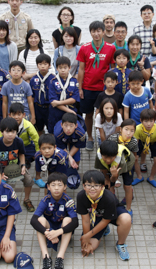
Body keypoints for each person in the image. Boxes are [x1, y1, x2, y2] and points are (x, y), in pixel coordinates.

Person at [76, 170, 132, 261]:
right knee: (86, 248)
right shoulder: (81, 196)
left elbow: (106, 220)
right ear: (83, 186)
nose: (92, 188)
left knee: (126, 218)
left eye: (96, 185)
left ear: (102, 187)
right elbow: (85, 220)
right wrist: (86, 237)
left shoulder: (109, 198)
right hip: (96, 217)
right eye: (89, 185)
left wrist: (88, 235)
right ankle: (103, 230)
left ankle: (121, 244)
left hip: (111, 214)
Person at [77, 20, 116, 150]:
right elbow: (81, 69)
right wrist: (80, 87)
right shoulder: (84, 47)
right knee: (88, 114)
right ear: (91, 33)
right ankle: (90, 137)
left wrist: (112, 86)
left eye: (99, 31)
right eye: (94, 31)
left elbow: (113, 68)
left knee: (104, 114)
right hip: (88, 87)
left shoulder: (111, 48)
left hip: (104, 88)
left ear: (104, 32)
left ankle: (102, 137)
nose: (96, 34)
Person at [30, 172, 78, 269]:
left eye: (60, 185)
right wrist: (48, 233)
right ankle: (46, 257)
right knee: (41, 220)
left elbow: (75, 222)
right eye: (53, 185)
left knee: (67, 220)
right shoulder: (45, 200)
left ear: (65, 187)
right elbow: (33, 220)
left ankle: (60, 257)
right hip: (49, 230)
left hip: (63, 230)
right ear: (48, 187)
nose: (56, 188)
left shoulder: (68, 201)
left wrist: (58, 232)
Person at [0, 117, 35, 211]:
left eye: (13, 132)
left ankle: (26, 199)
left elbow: (21, 154)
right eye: (7, 132)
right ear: (2, 132)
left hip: (16, 166)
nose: (10, 134)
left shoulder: (19, 141)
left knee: (28, 180)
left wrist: (23, 166)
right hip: (0, 169)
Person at [95, 140, 136, 218]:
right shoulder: (99, 155)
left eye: (111, 157)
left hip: (127, 165)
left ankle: (128, 209)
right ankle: (112, 206)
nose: (108, 160)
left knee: (127, 186)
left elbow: (114, 179)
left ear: (116, 154)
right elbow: (102, 167)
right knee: (109, 185)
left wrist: (113, 175)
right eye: (105, 157)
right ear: (101, 153)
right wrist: (107, 179)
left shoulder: (121, 161)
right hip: (113, 168)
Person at [133, 108, 156, 188]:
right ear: (141, 120)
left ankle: (151, 178)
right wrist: (135, 154)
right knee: (134, 158)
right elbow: (135, 142)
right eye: (146, 121)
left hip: (153, 142)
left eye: (151, 121)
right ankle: (139, 176)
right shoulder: (137, 128)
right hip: (142, 141)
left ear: (154, 120)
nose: (149, 124)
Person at [48, 57, 79, 135]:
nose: (62, 70)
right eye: (60, 68)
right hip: (56, 113)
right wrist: (68, 110)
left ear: (69, 68)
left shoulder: (74, 81)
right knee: (54, 132)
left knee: (69, 132)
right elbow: (52, 102)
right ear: (56, 68)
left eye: (65, 67)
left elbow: (74, 99)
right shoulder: (52, 82)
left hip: (70, 112)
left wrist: (58, 103)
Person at [107, 118, 140, 187]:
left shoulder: (134, 141)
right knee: (111, 184)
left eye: (132, 131)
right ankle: (116, 179)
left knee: (128, 185)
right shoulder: (113, 138)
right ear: (121, 129)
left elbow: (134, 154)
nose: (128, 133)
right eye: (126, 129)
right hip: (113, 160)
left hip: (127, 161)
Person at [30, 53, 56, 134]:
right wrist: (32, 114)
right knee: (38, 129)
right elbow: (31, 97)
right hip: (38, 107)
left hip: (50, 108)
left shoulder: (53, 79)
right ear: (37, 65)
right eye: (40, 64)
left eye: (45, 64)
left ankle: (51, 145)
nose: (43, 66)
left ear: (49, 65)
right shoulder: (33, 79)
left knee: (51, 129)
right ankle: (40, 145)